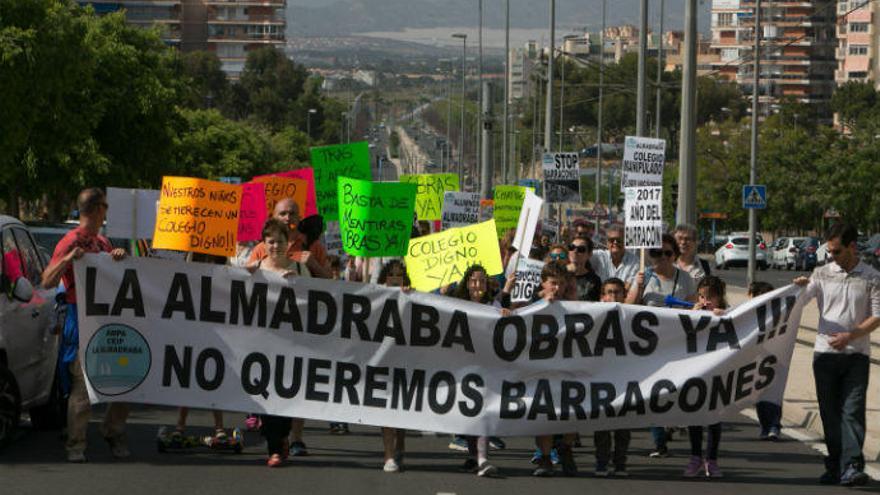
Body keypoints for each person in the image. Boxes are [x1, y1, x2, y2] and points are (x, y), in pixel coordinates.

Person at [40, 188, 130, 463]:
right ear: (95, 209)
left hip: (107, 319)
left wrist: (118, 256)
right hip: (81, 318)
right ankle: (76, 443)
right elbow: (46, 281)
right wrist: (67, 260)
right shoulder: (69, 242)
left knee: (126, 380)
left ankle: (112, 430)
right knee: (82, 381)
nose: (107, 211)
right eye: (104, 206)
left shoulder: (102, 243)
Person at [794, 223, 880, 486]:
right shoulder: (821, 273)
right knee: (830, 414)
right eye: (829, 251)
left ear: (853, 247)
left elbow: (877, 315)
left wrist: (850, 336)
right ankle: (834, 465)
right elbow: (800, 300)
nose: (832, 256)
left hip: (857, 355)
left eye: (837, 251)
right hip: (824, 355)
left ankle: (852, 466)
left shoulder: (871, 276)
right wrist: (797, 288)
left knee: (852, 412)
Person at [626, 233, 696, 458]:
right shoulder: (643, 276)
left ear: (675, 255)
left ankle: (673, 424)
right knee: (654, 393)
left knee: (676, 390)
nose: (662, 258)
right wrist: (637, 286)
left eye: (668, 253)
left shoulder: (685, 279)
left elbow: (695, 309)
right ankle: (659, 441)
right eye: (657, 253)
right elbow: (628, 307)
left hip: (678, 346)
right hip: (650, 347)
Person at [250, 218, 310, 467]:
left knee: (285, 393)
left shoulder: (298, 267)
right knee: (264, 394)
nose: (275, 246)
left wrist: (298, 282)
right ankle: (275, 448)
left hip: (290, 344)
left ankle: (282, 438)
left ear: (289, 243)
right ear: (264, 243)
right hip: (261, 344)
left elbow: (316, 299)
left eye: (280, 241)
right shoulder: (254, 267)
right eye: (270, 241)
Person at [451, 265, 501, 477]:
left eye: (481, 281)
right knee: (469, 413)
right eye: (473, 281)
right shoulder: (456, 304)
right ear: (467, 283)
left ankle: (483, 458)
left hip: (487, 367)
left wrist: (505, 315)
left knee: (483, 412)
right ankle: (473, 456)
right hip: (463, 367)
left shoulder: (494, 305)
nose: (477, 285)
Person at [532, 260, 578, 477]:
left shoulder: (573, 304)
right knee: (544, 414)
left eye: (560, 284)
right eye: (553, 283)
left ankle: (566, 449)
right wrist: (541, 305)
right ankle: (545, 456)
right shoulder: (532, 303)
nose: (557, 288)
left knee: (572, 412)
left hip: (568, 367)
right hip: (540, 368)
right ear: (543, 283)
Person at [683, 276, 728, 478]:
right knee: (695, 416)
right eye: (701, 296)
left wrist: (724, 316)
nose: (705, 302)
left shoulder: (727, 313)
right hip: (697, 373)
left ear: (720, 298)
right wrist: (693, 315)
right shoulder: (695, 312)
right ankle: (695, 457)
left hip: (718, 373)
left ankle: (711, 459)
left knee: (714, 419)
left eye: (710, 297)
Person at [593, 278, 631, 477]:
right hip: (602, 377)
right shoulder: (593, 315)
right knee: (602, 423)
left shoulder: (634, 317)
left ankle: (620, 464)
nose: (613, 296)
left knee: (623, 424)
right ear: (602, 296)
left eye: (617, 292)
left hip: (626, 377)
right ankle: (601, 462)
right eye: (609, 292)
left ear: (624, 295)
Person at [377, 260, 410, 473]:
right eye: (391, 274)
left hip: (405, 361)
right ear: (384, 278)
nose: (395, 278)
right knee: (385, 409)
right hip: (381, 361)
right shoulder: (375, 297)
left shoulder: (411, 296)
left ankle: (401, 444)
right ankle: (388, 455)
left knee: (402, 409)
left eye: (399, 274)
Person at [247, 198, 331, 279]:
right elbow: (246, 280)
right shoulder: (261, 248)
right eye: (282, 214)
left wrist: (314, 265)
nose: (288, 218)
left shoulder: (313, 245)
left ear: (299, 218)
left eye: (292, 214)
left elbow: (331, 281)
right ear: (274, 217)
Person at [749, 281, 783, 441]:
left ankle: (774, 425)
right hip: (756, 359)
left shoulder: (779, 312)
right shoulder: (747, 313)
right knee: (760, 394)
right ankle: (765, 425)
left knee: (774, 392)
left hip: (775, 358)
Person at [568, 235, 601, 302]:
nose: (575, 251)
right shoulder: (559, 274)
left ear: (589, 254)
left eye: (581, 249)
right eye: (572, 247)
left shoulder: (595, 280)